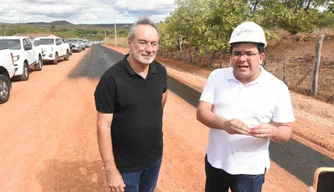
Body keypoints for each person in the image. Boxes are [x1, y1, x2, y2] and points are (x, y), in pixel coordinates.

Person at [196, 21, 295, 192]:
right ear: (231, 56)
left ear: (261, 57)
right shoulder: (217, 77)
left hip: (251, 171)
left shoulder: (277, 88)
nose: (242, 59)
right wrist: (225, 124)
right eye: (237, 53)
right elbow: (202, 112)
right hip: (215, 162)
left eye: (249, 53)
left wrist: (273, 132)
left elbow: (286, 130)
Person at [94, 17, 168, 192]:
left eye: (154, 44)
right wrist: (111, 170)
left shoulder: (161, 71)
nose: (149, 49)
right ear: (130, 42)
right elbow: (103, 125)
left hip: (154, 157)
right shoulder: (110, 80)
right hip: (126, 166)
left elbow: (162, 100)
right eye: (143, 42)